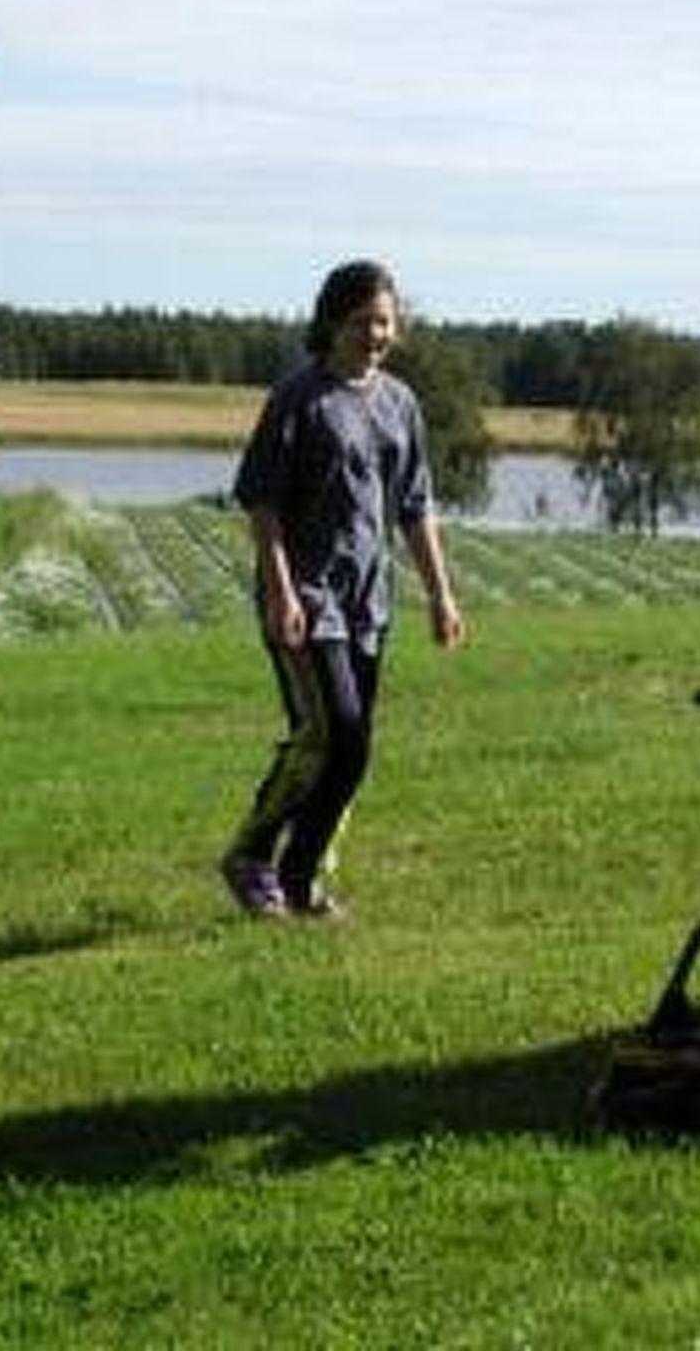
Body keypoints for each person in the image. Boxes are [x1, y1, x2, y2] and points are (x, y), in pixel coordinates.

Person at [219, 259, 466, 919]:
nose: (375, 334)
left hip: (368, 604)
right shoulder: (298, 399)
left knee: (349, 749)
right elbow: (262, 503)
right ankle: (252, 857)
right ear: (332, 321)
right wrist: (282, 592)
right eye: (362, 322)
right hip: (305, 599)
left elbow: (415, 507)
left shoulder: (400, 404)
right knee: (333, 735)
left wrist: (440, 594)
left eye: (385, 322)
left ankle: (300, 880)